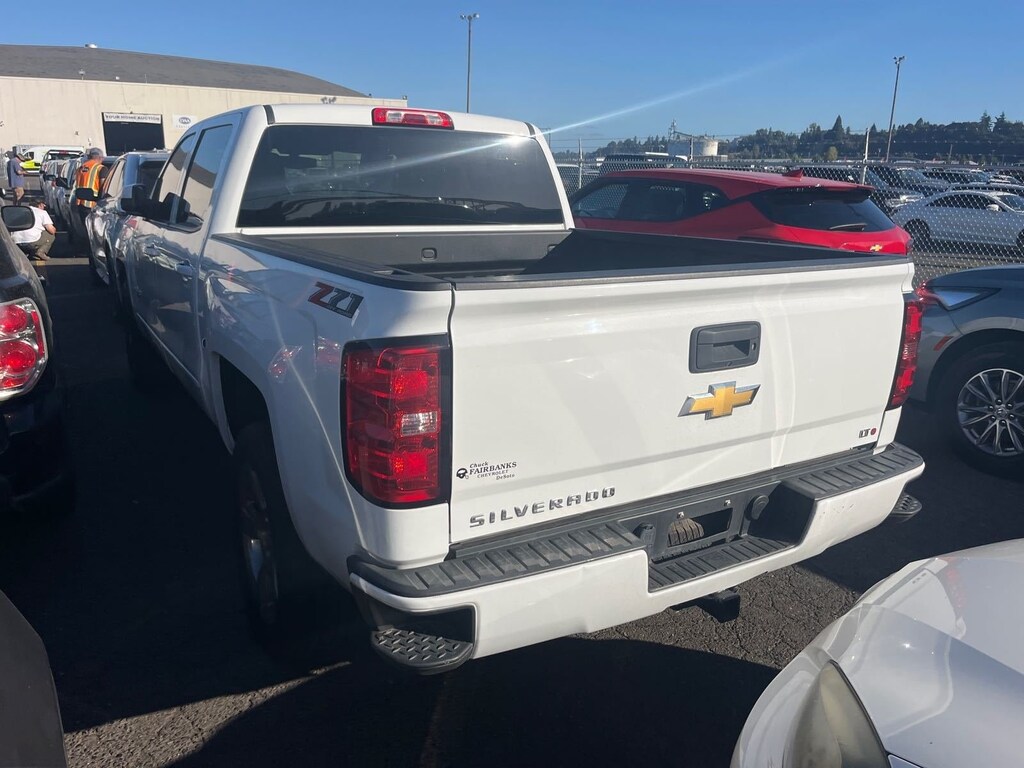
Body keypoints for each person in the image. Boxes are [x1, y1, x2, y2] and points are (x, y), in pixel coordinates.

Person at [73, 147, 106, 243]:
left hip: (81, 203)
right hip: (95, 205)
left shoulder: (81, 168)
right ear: (100, 157)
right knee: (96, 234)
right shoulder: (100, 168)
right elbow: (104, 187)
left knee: (88, 231)